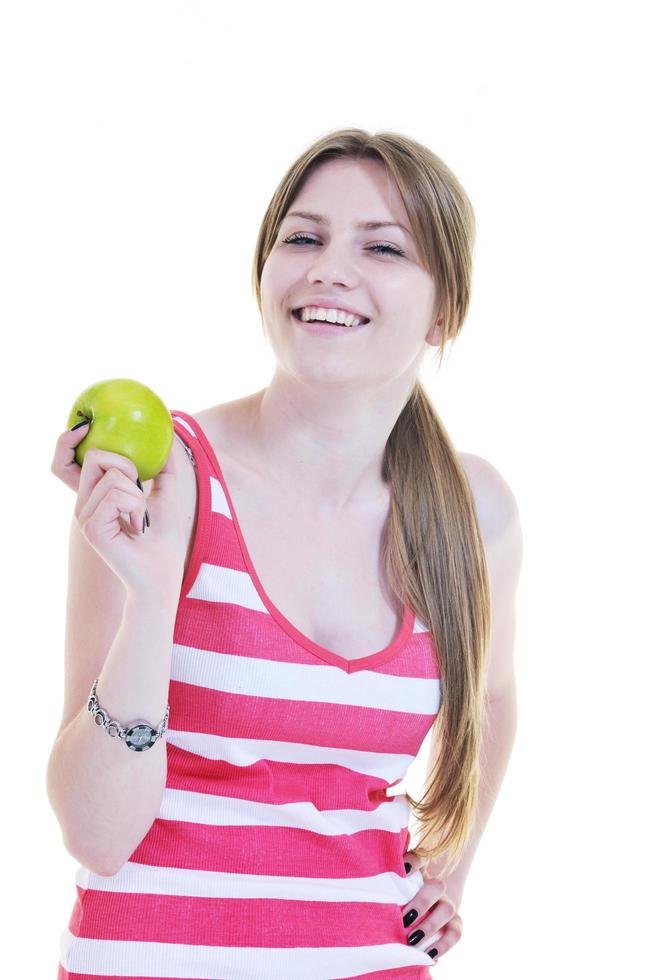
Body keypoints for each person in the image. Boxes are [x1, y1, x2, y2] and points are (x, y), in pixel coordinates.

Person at [47, 127, 522, 978]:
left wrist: (456, 858)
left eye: (383, 247)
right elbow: (97, 832)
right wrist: (151, 600)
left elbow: (489, 698)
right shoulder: (169, 479)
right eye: (302, 238)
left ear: (446, 308)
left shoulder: (472, 511)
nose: (328, 269)